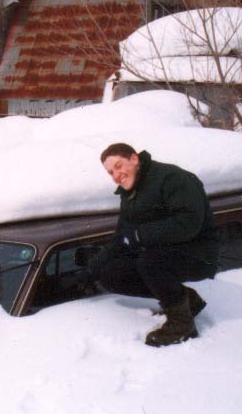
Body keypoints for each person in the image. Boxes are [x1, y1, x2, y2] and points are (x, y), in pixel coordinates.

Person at [78, 143, 219, 347]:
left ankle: (181, 325)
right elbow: (121, 237)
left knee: (149, 262)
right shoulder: (130, 193)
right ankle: (186, 300)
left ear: (134, 159)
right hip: (164, 253)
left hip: (199, 254)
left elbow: (189, 223)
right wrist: (92, 269)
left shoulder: (172, 178)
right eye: (110, 172)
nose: (116, 175)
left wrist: (140, 234)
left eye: (119, 166)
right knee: (110, 273)